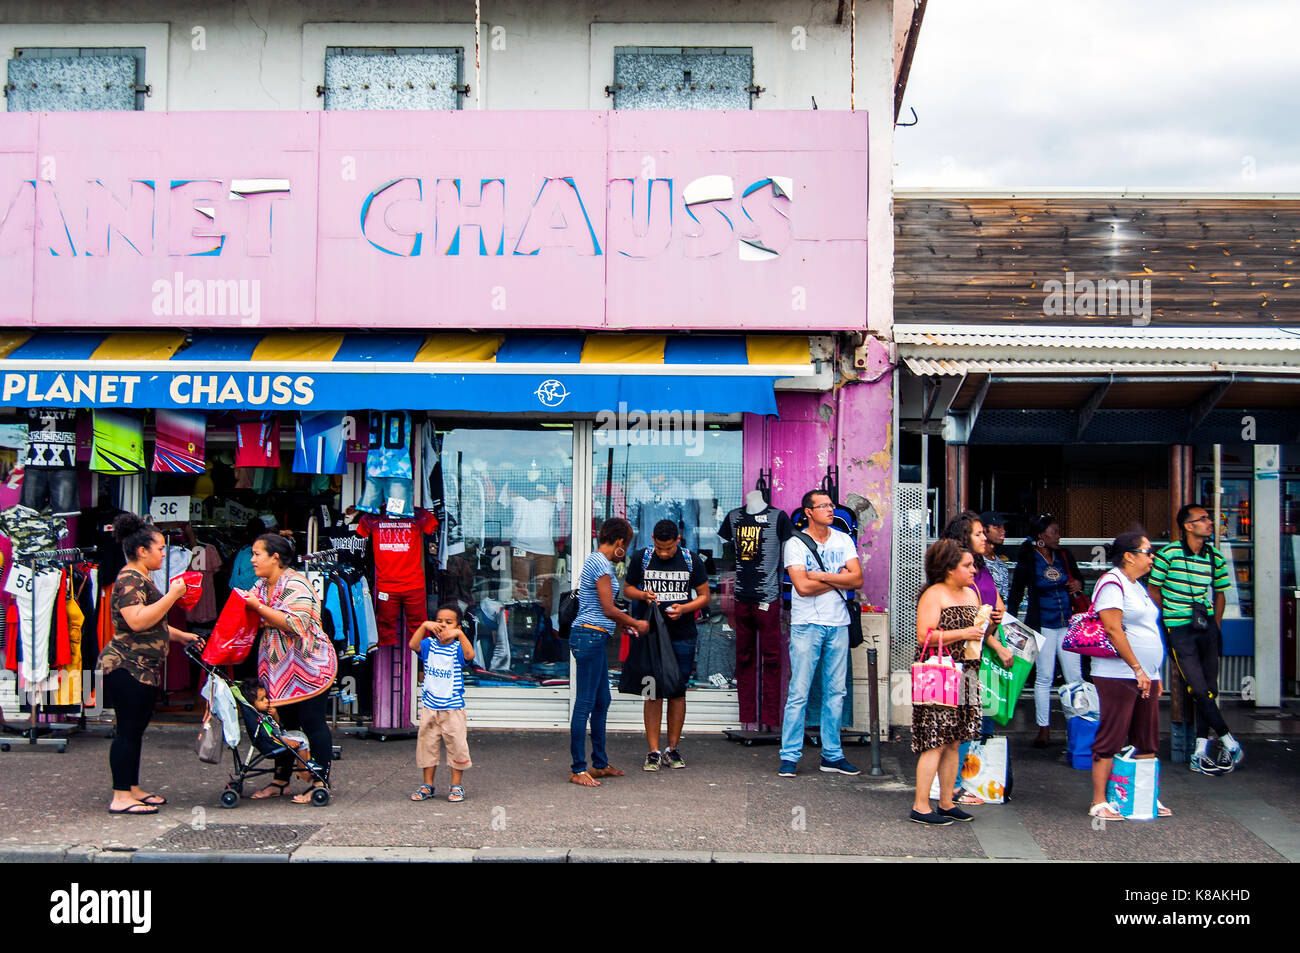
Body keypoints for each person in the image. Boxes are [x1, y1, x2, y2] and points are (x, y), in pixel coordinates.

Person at [99, 513, 201, 815]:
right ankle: (120, 796)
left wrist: (180, 635)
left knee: (136, 730)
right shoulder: (130, 578)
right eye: (159, 548)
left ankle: (132, 788)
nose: (163, 554)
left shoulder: (139, 577)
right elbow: (137, 620)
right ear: (142, 551)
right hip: (126, 667)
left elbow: (151, 623)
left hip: (140, 668)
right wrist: (172, 595)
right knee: (128, 731)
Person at [1149, 504, 1242, 774]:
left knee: (1209, 690)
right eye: (1203, 519)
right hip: (1179, 629)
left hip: (1207, 628)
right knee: (1198, 689)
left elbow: (1221, 593)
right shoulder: (1169, 554)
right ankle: (1229, 741)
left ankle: (1200, 751)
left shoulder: (1214, 557)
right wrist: (1169, 614)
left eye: (1208, 519)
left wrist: (1216, 624)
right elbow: (1153, 589)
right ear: (1188, 526)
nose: (1209, 522)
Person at [245, 533, 339, 804]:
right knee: (282, 724)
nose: (252, 560)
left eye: (257, 554)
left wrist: (262, 612)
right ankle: (281, 780)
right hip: (276, 667)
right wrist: (264, 613)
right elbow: (253, 614)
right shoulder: (262, 585)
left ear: (275, 558)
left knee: (312, 722)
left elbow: (295, 624)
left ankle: (320, 782)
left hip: (308, 666)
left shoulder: (296, 584)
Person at [778, 490, 863, 778]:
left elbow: (858, 579)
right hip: (806, 624)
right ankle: (789, 756)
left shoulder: (843, 538)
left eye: (831, 505)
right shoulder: (795, 543)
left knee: (836, 692)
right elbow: (801, 587)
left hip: (838, 623)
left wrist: (821, 576)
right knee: (799, 692)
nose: (830, 509)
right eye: (823, 506)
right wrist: (839, 578)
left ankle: (832, 755)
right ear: (808, 512)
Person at [1088, 532, 1172, 820]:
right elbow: (1113, 629)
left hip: (1146, 674)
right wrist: (1137, 667)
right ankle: (1099, 801)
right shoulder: (1112, 582)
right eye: (1148, 552)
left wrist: (1153, 674)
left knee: (1146, 736)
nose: (1152, 557)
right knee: (1112, 734)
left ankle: (1144, 794)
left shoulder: (1138, 586)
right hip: (1117, 673)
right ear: (1129, 556)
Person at [568, 517, 650, 787]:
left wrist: (624, 627)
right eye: (625, 545)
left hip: (596, 635)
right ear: (618, 543)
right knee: (585, 704)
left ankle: (600, 763)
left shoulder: (598, 562)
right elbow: (608, 608)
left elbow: (604, 608)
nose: (625, 551)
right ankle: (579, 768)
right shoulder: (600, 564)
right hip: (589, 635)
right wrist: (635, 623)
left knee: (602, 702)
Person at [622, 519, 710, 770]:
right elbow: (627, 589)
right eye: (659, 547)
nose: (663, 553)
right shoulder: (642, 558)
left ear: (678, 541)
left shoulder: (692, 560)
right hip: (651, 634)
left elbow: (704, 597)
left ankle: (672, 748)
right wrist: (642, 595)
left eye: (668, 548)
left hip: (682, 633)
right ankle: (653, 751)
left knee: (677, 691)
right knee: (652, 691)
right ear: (652, 539)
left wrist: (684, 608)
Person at [910, 539, 985, 826]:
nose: (973, 570)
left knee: (954, 741)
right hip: (938, 673)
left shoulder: (971, 593)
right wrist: (965, 632)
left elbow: (977, 632)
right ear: (949, 568)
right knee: (935, 742)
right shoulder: (934, 594)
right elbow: (923, 637)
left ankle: (946, 802)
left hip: (967, 671)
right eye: (967, 565)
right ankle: (920, 805)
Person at [942, 512, 1012, 806]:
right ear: (963, 538)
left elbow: (996, 605)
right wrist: (996, 643)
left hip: (981, 651)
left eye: (985, 533)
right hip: (963, 652)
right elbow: (962, 618)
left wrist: (997, 616)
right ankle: (954, 786)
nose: (985, 538)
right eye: (979, 533)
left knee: (981, 719)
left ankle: (974, 778)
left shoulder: (981, 568)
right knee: (960, 721)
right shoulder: (955, 571)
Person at [1008, 514, 1084, 747]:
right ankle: (1044, 728)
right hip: (1043, 625)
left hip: (1067, 623)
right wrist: (1010, 625)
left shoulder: (1064, 556)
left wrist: (1077, 584)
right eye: (1054, 532)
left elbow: (1079, 578)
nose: (1058, 536)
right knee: (1045, 677)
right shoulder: (1029, 559)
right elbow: (1017, 592)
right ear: (1042, 536)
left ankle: (1077, 726)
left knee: (1074, 677)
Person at [409, 604, 475, 802]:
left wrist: (460, 635)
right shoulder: (429, 645)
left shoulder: (457, 648)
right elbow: (413, 645)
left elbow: (470, 655)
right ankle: (427, 785)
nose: (443, 626)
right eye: (439, 621)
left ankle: (456, 786)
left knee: (456, 746)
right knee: (427, 745)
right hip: (430, 707)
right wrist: (423, 626)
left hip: (453, 708)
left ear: (457, 627)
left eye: (449, 622)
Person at [239, 678, 315, 782]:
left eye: (266, 697)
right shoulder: (258, 718)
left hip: (278, 735)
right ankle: (302, 769)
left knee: (300, 734)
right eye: (262, 699)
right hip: (274, 741)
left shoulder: (262, 713)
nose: (266, 701)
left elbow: (277, 724)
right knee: (302, 742)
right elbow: (270, 735)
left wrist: (275, 714)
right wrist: (287, 741)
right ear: (252, 704)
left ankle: (308, 762)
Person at [979, 511, 1012, 604]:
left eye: (1003, 527)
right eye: (997, 527)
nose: (1003, 531)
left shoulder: (1001, 564)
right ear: (984, 529)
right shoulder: (974, 561)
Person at [228, 517, 265, 593]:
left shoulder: (243, 549)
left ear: (247, 532)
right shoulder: (259, 550)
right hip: (248, 591)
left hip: (235, 589)